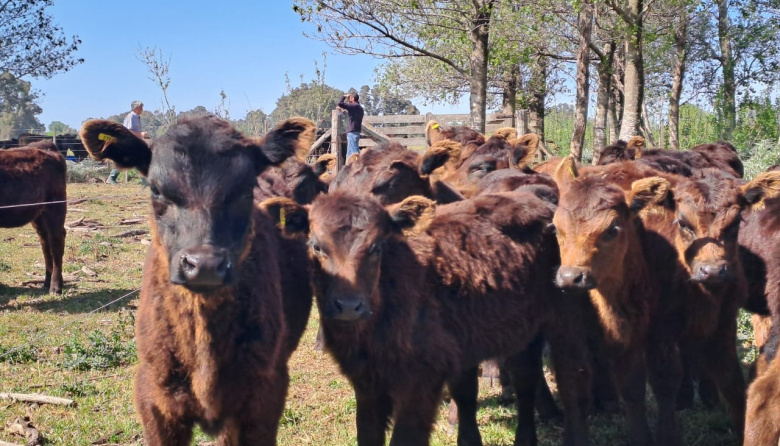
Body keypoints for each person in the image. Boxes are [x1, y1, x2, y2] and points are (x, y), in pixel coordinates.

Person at [106, 100, 148, 184]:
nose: (142, 109)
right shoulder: (131, 117)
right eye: (141, 107)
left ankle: (112, 178)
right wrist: (140, 134)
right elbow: (128, 130)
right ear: (136, 108)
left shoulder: (136, 117)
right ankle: (111, 178)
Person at [337, 92, 364, 159]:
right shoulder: (359, 108)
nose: (348, 99)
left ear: (353, 98)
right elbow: (350, 117)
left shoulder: (354, 106)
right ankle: (349, 164)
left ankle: (358, 163)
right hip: (355, 131)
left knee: (354, 151)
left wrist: (344, 96)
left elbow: (340, 103)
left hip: (352, 131)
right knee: (350, 152)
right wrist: (343, 111)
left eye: (350, 98)